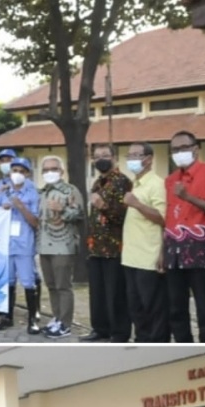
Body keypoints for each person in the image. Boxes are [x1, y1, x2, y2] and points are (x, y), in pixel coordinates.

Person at [163, 130, 205, 343]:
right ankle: (184, 347)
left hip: (202, 249)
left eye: (184, 148)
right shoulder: (171, 180)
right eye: (175, 149)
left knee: (203, 307)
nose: (179, 153)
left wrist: (187, 196)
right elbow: (170, 218)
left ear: (196, 149)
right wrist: (164, 251)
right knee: (176, 307)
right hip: (175, 251)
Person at [82, 144, 133, 343]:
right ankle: (100, 328)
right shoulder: (97, 183)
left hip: (115, 247)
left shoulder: (122, 182)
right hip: (96, 246)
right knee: (98, 292)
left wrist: (103, 206)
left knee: (116, 293)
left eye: (105, 155)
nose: (100, 159)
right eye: (96, 157)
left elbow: (124, 214)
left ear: (114, 157)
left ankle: (119, 332)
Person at [121, 142, 170, 343]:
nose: (131, 159)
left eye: (136, 155)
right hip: (131, 257)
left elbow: (163, 218)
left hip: (149, 257)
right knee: (136, 306)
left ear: (148, 159)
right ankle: (142, 340)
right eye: (129, 155)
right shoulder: (136, 183)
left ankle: (158, 343)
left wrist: (137, 204)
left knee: (154, 308)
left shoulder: (157, 184)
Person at [37, 155, 85, 339]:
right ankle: (57, 318)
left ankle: (65, 324)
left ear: (61, 171)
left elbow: (79, 215)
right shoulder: (43, 192)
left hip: (63, 245)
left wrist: (61, 209)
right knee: (51, 285)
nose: (50, 173)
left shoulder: (70, 191)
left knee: (63, 286)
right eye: (46, 170)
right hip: (44, 245)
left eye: (53, 169)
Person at [0, 157, 41, 334]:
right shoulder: (2, 192)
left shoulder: (32, 194)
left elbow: (35, 222)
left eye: (21, 171)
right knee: (9, 281)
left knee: (28, 282)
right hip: (6, 245)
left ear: (27, 173)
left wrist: (21, 207)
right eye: (15, 171)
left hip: (24, 245)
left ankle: (33, 319)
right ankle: (7, 317)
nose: (17, 174)